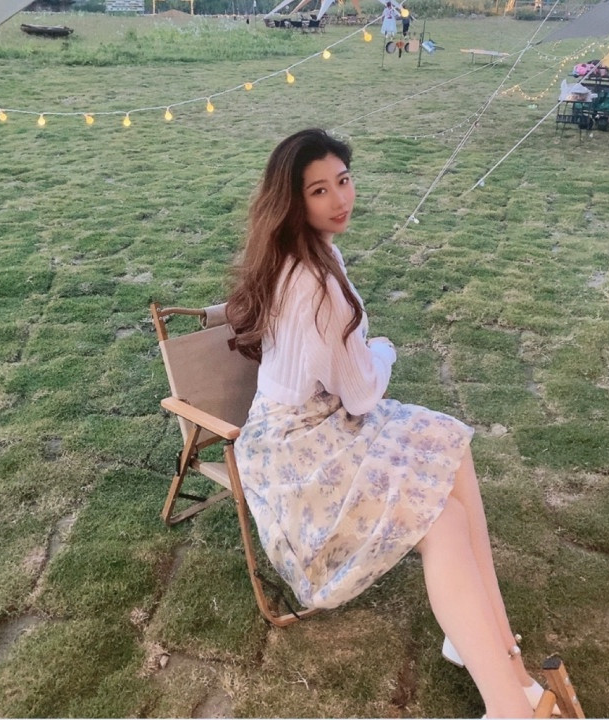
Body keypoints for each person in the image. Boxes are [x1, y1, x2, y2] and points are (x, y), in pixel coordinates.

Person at [226, 128, 549, 718]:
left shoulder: (301, 253)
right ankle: (509, 705)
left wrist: (363, 356)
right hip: (296, 454)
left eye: (343, 180)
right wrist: (384, 350)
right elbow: (361, 393)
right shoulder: (318, 282)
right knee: (441, 520)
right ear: (293, 201)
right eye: (319, 190)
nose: (339, 199)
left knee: (449, 445)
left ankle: (494, 645)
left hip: (312, 424)